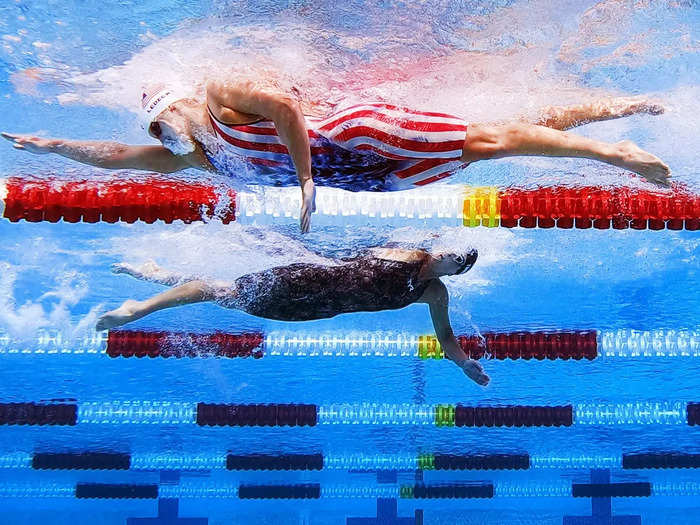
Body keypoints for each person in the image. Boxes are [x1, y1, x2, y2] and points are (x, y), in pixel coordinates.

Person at [2, 81, 670, 232]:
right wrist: (54, 145)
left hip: (357, 135)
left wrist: (304, 185)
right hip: (370, 179)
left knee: (493, 142)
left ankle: (619, 154)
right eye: (155, 127)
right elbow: (121, 157)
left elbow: (288, 110)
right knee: (514, 129)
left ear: (177, 100)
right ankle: (621, 106)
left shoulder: (214, 97)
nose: (163, 131)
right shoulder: (203, 157)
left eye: (162, 115)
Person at [95, 246, 490, 386]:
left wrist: (463, 364)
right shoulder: (406, 253)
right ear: (438, 248)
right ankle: (139, 309)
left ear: (455, 272)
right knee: (224, 292)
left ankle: (155, 274)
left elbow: (446, 337)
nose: (447, 258)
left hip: (312, 310)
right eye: (448, 252)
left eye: (455, 262)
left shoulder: (434, 293)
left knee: (225, 295)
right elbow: (349, 252)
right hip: (303, 280)